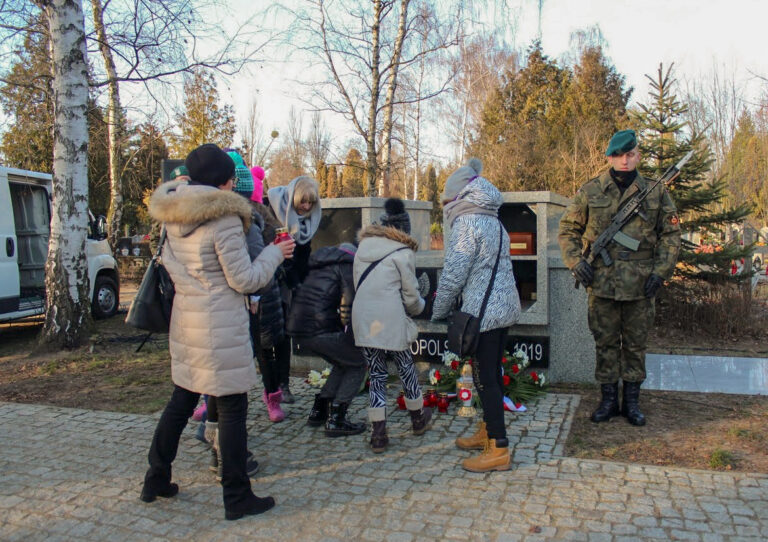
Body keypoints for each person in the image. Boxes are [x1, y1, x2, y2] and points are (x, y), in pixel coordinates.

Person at [139, 143, 295, 521]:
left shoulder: (172, 214)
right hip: (219, 327)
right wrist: (276, 254)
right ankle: (237, 496)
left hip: (186, 322)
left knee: (181, 400)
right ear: (224, 182)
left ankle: (155, 478)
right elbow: (245, 279)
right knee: (232, 408)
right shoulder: (224, 218)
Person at [558, 129, 681, 427]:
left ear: (637, 155)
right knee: (606, 343)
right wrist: (576, 262)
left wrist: (660, 273)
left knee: (636, 345)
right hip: (602, 285)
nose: (624, 161)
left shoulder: (656, 191)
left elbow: (671, 236)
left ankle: (633, 403)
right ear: (610, 157)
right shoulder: (591, 191)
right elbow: (567, 230)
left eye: (630, 155)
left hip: (641, 285)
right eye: (618, 155)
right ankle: (609, 400)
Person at [431, 158, 521, 473]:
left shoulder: (467, 223)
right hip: (501, 309)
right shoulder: (493, 220)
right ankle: (487, 429)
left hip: (484, 314)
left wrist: (438, 309)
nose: (444, 207)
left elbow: (455, 273)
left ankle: (498, 447)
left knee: (485, 379)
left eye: (445, 201)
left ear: (458, 197)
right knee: (492, 374)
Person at [352, 198, 431, 453]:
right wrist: (422, 307)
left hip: (364, 318)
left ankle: (378, 433)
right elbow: (411, 297)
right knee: (406, 366)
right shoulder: (403, 252)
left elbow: (358, 285)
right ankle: (418, 419)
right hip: (390, 317)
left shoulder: (362, 247)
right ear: (403, 230)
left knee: (376, 374)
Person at [286, 243, 367, 437]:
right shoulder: (346, 265)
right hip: (320, 328)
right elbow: (349, 303)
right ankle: (337, 420)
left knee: (342, 361)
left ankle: (319, 410)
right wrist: (352, 336)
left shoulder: (320, 264)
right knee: (358, 363)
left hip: (298, 327)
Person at [264, 176, 322, 403]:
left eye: (310, 203)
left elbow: (304, 255)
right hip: (270, 280)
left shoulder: (308, 222)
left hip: (290, 284)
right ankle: (271, 389)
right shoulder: (272, 211)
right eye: (302, 202)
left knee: (286, 336)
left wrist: (301, 284)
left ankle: (284, 384)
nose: (306, 207)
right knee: (270, 338)